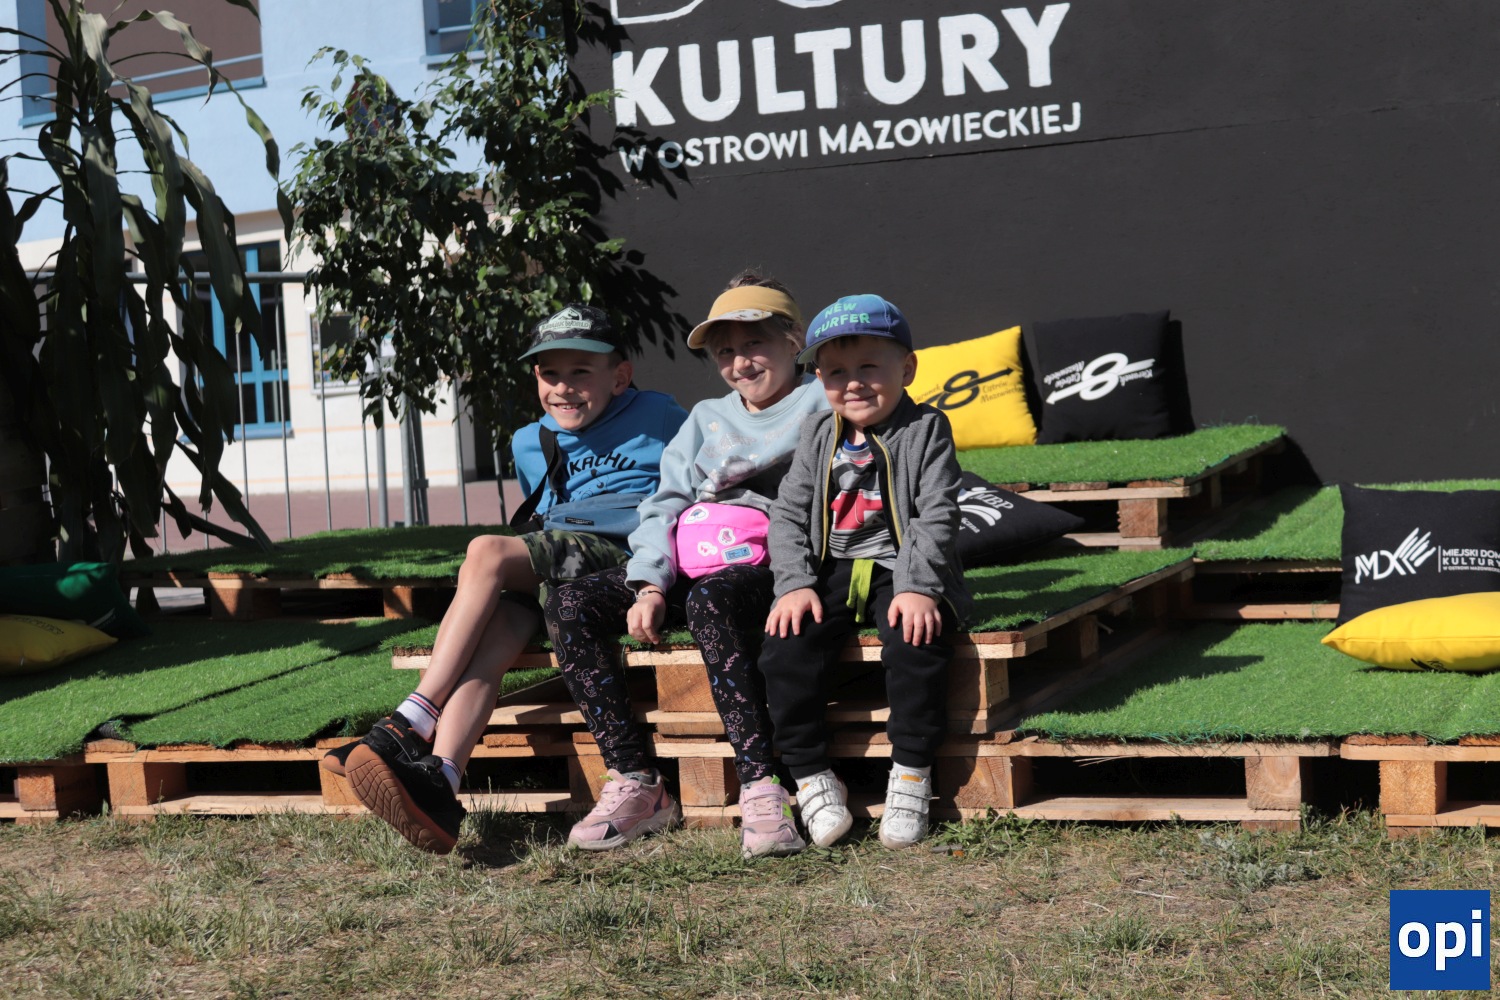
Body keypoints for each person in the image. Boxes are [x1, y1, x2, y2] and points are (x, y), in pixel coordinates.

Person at [332, 304, 688, 853]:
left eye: (581, 372)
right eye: (550, 373)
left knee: (486, 550)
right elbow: (545, 517)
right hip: (561, 562)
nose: (563, 388)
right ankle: (442, 781)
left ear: (620, 376)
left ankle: (408, 720)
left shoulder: (661, 414)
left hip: (627, 555)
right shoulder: (529, 439)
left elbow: (697, 485)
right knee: (494, 636)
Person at [543, 271, 828, 858]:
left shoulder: (823, 400)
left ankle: (762, 785)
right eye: (725, 351)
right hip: (696, 556)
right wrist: (649, 585)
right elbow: (665, 502)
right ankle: (637, 781)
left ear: (794, 340)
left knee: (711, 601)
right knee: (569, 603)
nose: (739, 363)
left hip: (773, 562)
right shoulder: (704, 417)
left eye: (754, 343)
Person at [760, 294, 972, 851]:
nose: (852, 383)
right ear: (819, 380)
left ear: (907, 368)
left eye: (869, 367)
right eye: (835, 372)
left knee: (915, 640)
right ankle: (810, 775)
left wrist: (918, 587)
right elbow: (787, 513)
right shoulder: (817, 432)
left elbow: (937, 512)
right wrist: (794, 583)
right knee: (785, 646)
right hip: (833, 567)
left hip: (901, 564)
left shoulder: (926, 428)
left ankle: (911, 773)